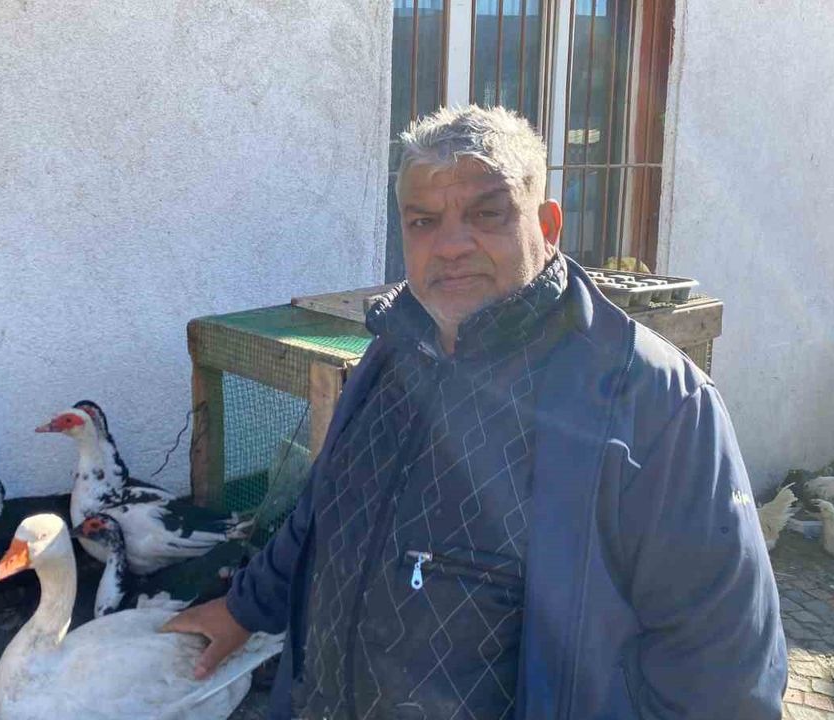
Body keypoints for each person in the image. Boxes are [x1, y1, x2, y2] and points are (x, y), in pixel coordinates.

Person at [164, 105, 786, 719]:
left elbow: (725, 674)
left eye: (488, 214)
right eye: (423, 221)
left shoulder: (654, 403)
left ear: (548, 224)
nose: (451, 246)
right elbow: (323, 511)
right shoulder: (390, 354)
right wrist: (242, 609)